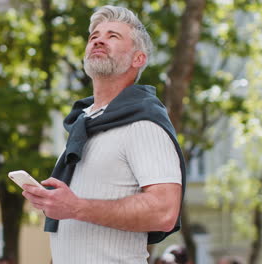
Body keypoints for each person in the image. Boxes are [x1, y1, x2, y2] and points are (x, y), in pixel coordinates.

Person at [22, 5, 186, 264]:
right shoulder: (84, 125)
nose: (98, 39)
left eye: (113, 36)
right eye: (94, 36)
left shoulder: (143, 124)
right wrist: (58, 205)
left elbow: (164, 211)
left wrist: (75, 207)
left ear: (138, 59)